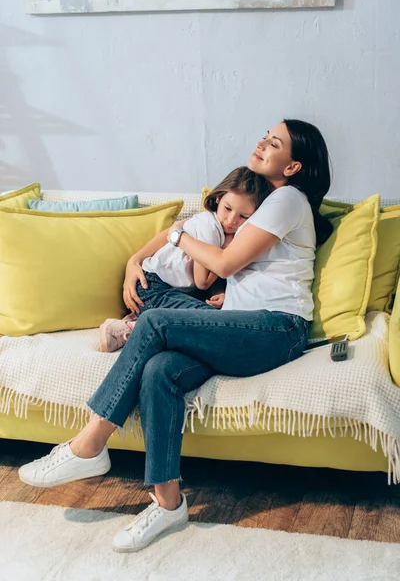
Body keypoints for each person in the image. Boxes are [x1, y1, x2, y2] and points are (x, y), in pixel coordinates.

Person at [19, 119, 333, 554]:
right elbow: (223, 251)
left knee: (154, 320)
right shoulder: (265, 202)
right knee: (159, 369)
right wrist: (140, 257)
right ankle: (168, 503)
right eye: (263, 134)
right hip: (241, 328)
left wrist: (177, 234)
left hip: (277, 329)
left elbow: (222, 264)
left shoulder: (287, 198)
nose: (261, 142)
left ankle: (88, 443)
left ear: (294, 166)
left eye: (274, 142)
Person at [98, 166, 269, 352]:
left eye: (243, 216)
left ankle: (139, 320)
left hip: (176, 292)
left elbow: (211, 281)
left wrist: (220, 292)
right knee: (216, 320)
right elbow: (202, 281)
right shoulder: (209, 226)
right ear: (218, 198)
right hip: (153, 287)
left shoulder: (220, 227)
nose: (231, 220)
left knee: (222, 314)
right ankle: (131, 329)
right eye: (227, 208)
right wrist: (227, 250)